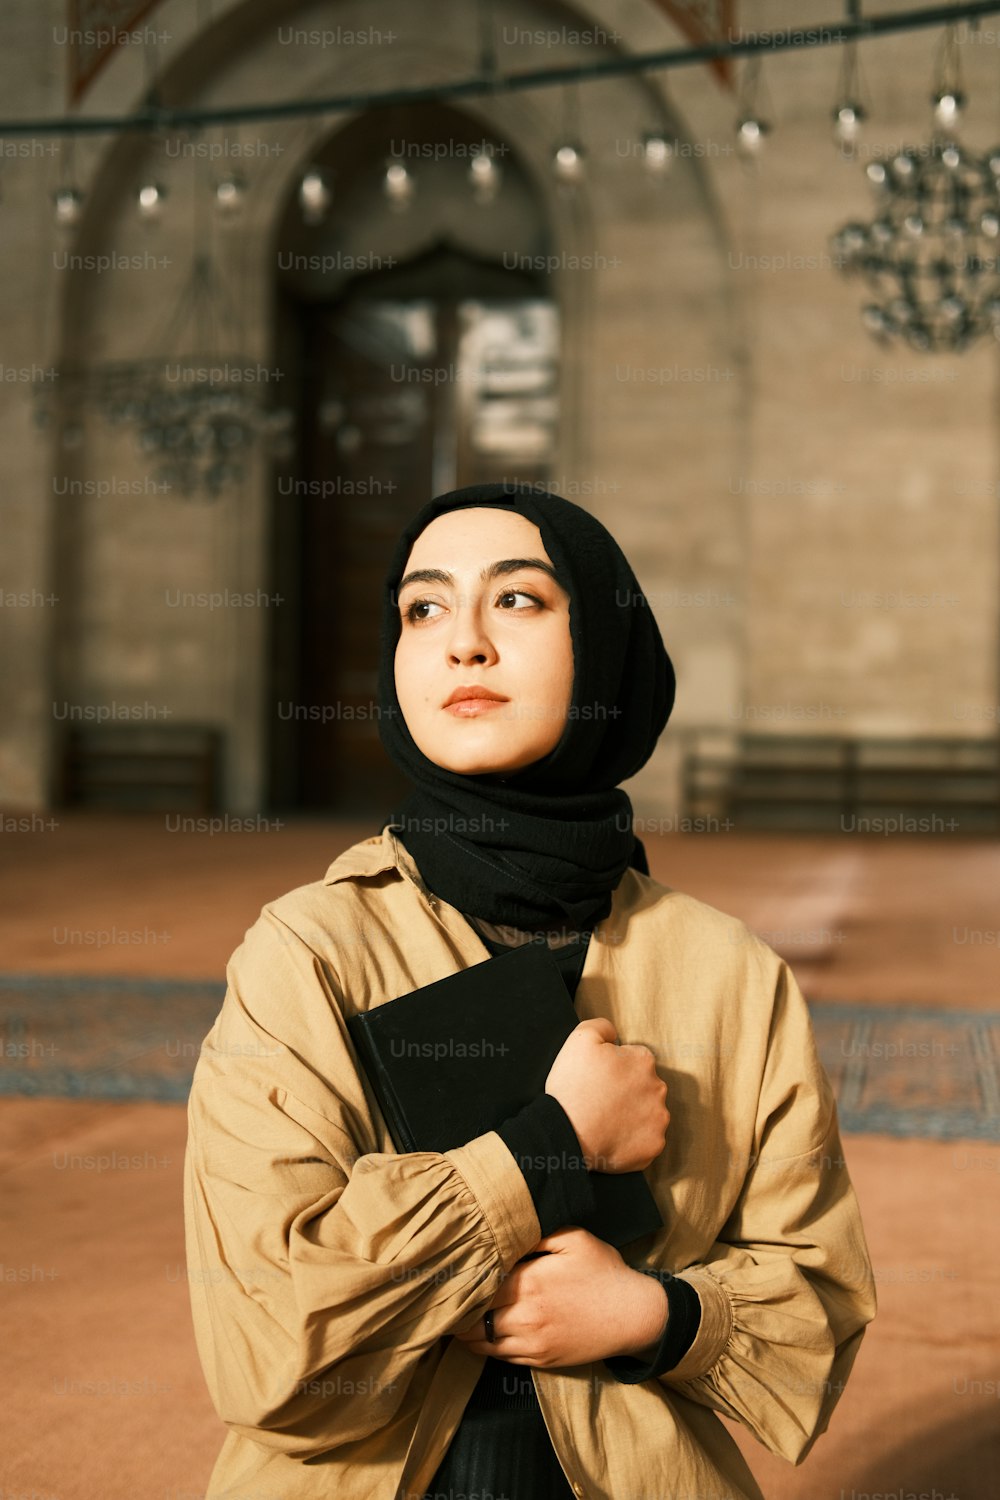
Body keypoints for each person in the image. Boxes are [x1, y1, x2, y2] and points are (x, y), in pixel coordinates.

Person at [183, 480, 877, 1500]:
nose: (462, 642)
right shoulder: (308, 950)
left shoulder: (728, 972)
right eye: (422, 608)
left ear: (604, 647)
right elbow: (266, 1333)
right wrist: (549, 1148)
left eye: (516, 600)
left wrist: (649, 1315)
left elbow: (814, 1295)